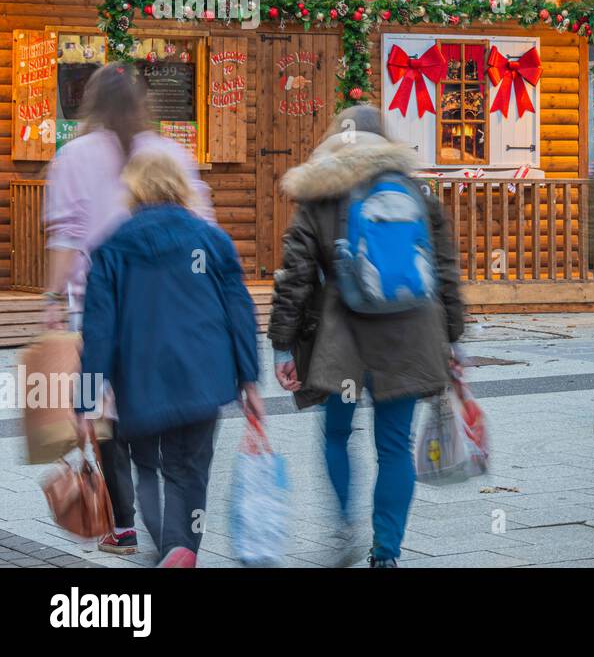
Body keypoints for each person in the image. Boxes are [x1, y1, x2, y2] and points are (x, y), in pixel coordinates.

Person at [267, 105, 463, 568]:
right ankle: (387, 552)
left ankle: (344, 528)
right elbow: (445, 271)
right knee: (393, 446)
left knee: (337, 435)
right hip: (410, 335)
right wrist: (453, 339)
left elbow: (294, 277)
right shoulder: (416, 192)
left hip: (343, 342)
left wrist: (281, 345)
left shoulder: (321, 192)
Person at [43, 62, 212, 556]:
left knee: (100, 410)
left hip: (96, 304)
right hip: (165, 303)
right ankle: (172, 524)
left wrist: (53, 300)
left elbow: (67, 237)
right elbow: (202, 223)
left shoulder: (71, 157)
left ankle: (123, 525)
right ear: (143, 103)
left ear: (91, 103)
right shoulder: (168, 152)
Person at [79, 151, 261, 567]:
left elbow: (98, 331)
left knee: (146, 468)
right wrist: (250, 380)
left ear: (135, 190)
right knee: (190, 471)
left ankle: (168, 547)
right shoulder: (212, 240)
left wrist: (88, 398)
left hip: (140, 381)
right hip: (203, 377)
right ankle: (181, 548)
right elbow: (240, 310)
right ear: (180, 186)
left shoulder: (112, 248)